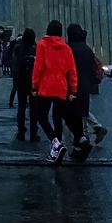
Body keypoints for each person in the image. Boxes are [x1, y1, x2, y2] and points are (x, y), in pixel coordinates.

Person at [32, 19, 90, 165]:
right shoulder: (66, 48)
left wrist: (34, 86)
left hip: (45, 87)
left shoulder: (42, 45)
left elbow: (38, 68)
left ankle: (56, 144)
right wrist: (73, 90)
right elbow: (72, 71)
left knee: (42, 117)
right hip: (61, 88)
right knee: (57, 119)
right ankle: (57, 151)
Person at [66, 23, 107, 146]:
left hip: (73, 87)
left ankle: (81, 143)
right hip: (86, 87)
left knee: (75, 115)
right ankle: (93, 131)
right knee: (83, 112)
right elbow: (92, 68)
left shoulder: (69, 49)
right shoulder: (87, 49)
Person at [13, 29, 39, 142]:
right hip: (33, 81)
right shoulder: (36, 48)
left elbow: (16, 62)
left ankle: (21, 131)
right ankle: (33, 133)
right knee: (34, 108)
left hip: (21, 80)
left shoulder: (18, 48)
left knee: (22, 107)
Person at [9, 34, 23, 108]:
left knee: (15, 88)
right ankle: (18, 102)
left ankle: (11, 102)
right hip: (19, 72)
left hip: (15, 73)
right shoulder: (19, 49)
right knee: (19, 88)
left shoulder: (15, 49)